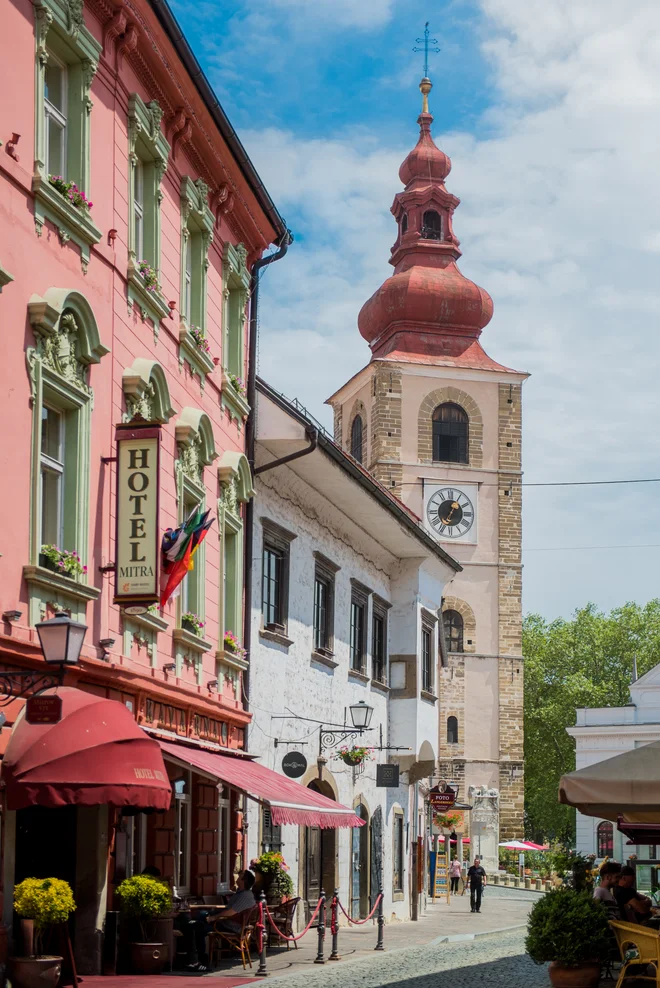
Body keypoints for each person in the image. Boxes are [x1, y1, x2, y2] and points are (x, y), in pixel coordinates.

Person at [186, 870, 256, 972]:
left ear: (243, 880)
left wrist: (214, 917)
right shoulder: (240, 893)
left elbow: (231, 912)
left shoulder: (245, 895)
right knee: (200, 918)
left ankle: (198, 960)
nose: (236, 878)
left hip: (231, 926)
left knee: (197, 927)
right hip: (226, 922)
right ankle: (196, 959)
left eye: (239, 876)